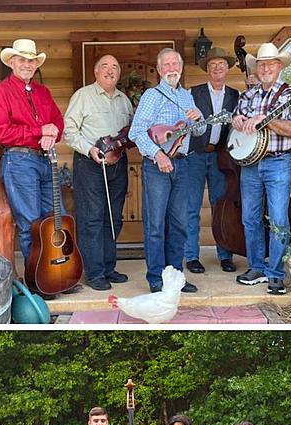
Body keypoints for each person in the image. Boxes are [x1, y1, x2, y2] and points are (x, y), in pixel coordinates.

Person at [128, 48, 205, 294]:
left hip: (183, 164)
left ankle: (175, 277)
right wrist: (158, 153)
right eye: (167, 65)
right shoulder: (152, 95)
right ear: (160, 70)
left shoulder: (187, 97)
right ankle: (156, 278)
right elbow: (136, 131)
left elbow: (199, 132)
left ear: (180, 68)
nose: (172, 68)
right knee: (155, 225)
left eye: (175, 64)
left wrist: (199, 119)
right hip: (157, 166)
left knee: (179, 224)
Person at [0, 38, 65, 266]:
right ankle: (38, 279)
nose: (27, 65)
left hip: (45, 159)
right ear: (11, 62)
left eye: (32, 61)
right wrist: (40, 130)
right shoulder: (1, 92)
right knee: (30, 223)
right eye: (22, 60)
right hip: (19, 160)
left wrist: (51, 133)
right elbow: (0, 131)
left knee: (53, 220)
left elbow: (57, 121)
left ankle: (57, 275)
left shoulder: (42, 91)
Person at [232, 43, 291, 295]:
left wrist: (267, 120)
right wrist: (236, 120)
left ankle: (276, 273)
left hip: (277, 162)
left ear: (279, 66)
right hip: (250, 163)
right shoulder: (248, 95)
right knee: (249, 218)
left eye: (270, 64)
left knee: (279, 219)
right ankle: (257, 267)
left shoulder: (290, 93)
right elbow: (237, 122)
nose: (265, 68)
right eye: (261, 65)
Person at [62, 55, 135, 291]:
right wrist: (89, 149)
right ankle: (94, 273)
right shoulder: (83, 96)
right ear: (96, 72)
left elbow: (130, 132)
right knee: (91, 218)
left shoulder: (124, 100)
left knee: (113, 218)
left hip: (118, 165)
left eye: (115, 66)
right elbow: (69, 131)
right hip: (89, 164)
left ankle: (108, 267)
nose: (110, 70)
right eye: (105, 66)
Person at [185, 47, 241, 274]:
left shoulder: (235, 95)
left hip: (221, 158)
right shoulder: (193, 93)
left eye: (221, 65)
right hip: (197, 155)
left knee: (222, 206)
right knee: (192, 207)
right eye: (212, 65)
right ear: (207, 70)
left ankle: (225, 254)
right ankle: (191, 256)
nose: (217, 69)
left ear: (227, 68)